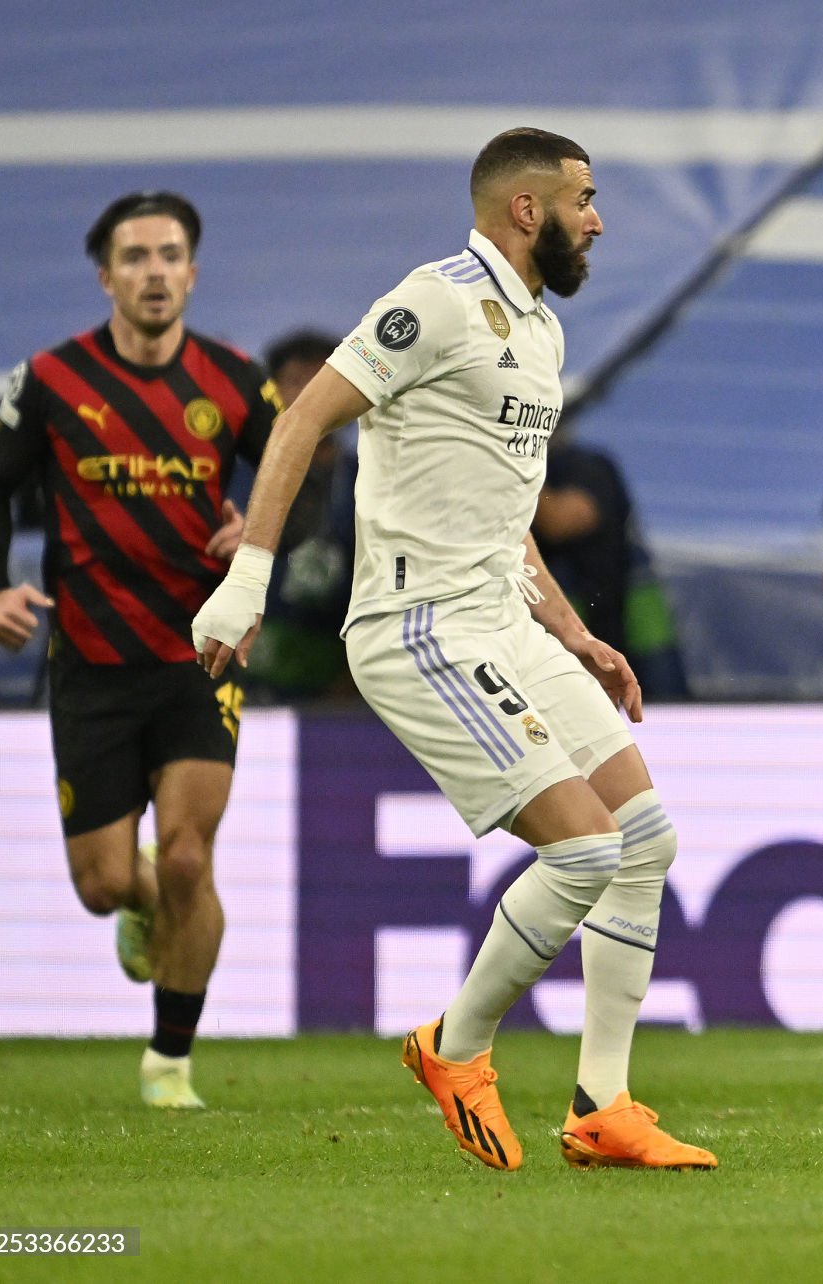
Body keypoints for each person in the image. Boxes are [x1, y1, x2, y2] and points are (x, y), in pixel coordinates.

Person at [192, 127, 714, 1173]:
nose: (597, 219)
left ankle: (601, 1105)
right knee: (584, 850)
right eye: (584, 199)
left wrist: (574, 633)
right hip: (415, 626)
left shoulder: (540, 333)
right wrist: (246, 578)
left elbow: (501, 511)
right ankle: (454, 1044)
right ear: (526, 211)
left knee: (644, 837)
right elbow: (300, 425)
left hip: (505, 623)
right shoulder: (429, 301)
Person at [0, 190, 273, 1107]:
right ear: (106, 275)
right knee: (105, 884)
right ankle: (139, 909)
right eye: (135, 257)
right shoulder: (54, 380)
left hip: (197, 657)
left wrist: (258, 535)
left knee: (187, 858)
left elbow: (299, 471)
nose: (153, 272)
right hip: (91, 661)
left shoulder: (234, 380)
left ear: (192, 270)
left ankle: (169, 1064)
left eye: (170, 254)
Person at [244, 330, 359, 701]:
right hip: (243, 676)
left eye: (324, 380)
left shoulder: (375, 479)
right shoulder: (234, 476)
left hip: (345, 683)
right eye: (295, 381)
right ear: (271, 391)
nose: (310, 393)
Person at [533, 431, 691, 699]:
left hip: (621, 628)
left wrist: (508, 473)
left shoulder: (586, 466)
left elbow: (561, 522)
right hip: (567, 632)